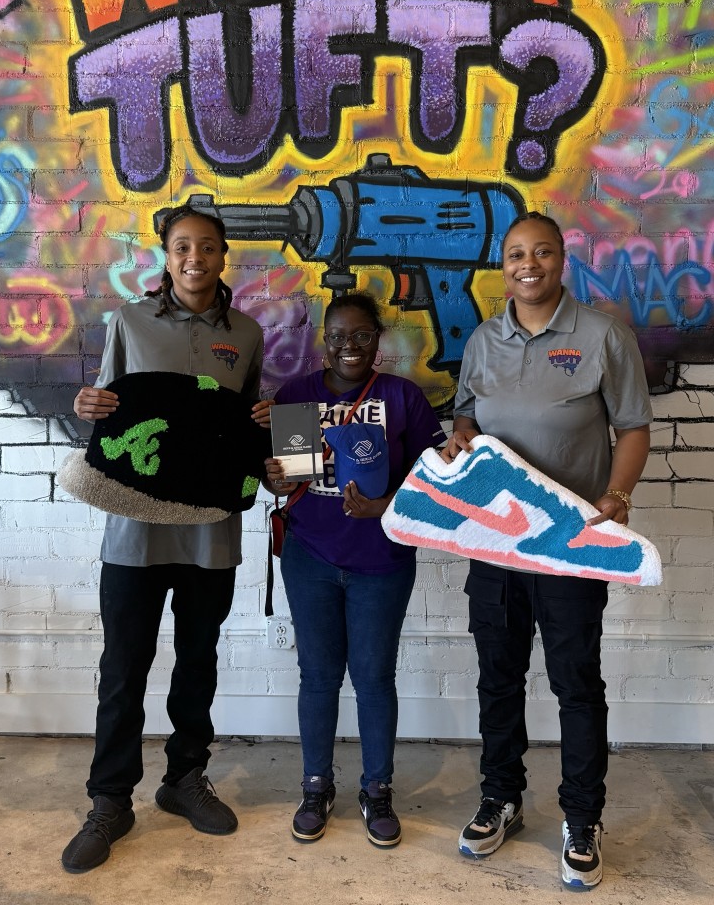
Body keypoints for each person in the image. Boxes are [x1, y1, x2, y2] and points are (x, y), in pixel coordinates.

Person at [441, 212, 651, 889]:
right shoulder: (482, 338)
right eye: (515, 255)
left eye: (541, 253)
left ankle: (582, 818)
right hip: (494, 540)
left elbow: (633, 426)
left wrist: (615, 497)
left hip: (569, 546)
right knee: (497, 679)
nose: (528, 265)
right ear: (504, 265)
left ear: (562, 259)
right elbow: (466, 412)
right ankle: (500, 797)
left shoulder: (603, 336)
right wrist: (461, 437)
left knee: (575, 685)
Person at [62, 203, 270, 874]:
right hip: (134, 529)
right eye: (182, 247)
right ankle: (109, 799)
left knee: (198, 660)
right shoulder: (128, 321)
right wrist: (85, 405)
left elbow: (250, 424)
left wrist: (267, 423)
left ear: (222, 255)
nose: (194, 259)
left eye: (207, 247)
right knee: (122, 668)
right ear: (165, 253)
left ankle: (184, 779)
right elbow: (105, 407)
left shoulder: (245, 333)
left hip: (211, 530)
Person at [264, 293, 445, 848]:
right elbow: (287, 480)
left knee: (373, 679)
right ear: (324, 337)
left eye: (362, 335)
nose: (349, 346)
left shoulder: (402, 397)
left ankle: (377, 789)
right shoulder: (296, 396)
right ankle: (316, 786)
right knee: (317, 678)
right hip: (311, 555)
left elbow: (433, 481)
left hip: (381, 561)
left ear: (378, 338)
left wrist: (386, 504)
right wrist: (272, 477)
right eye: (338, 335)